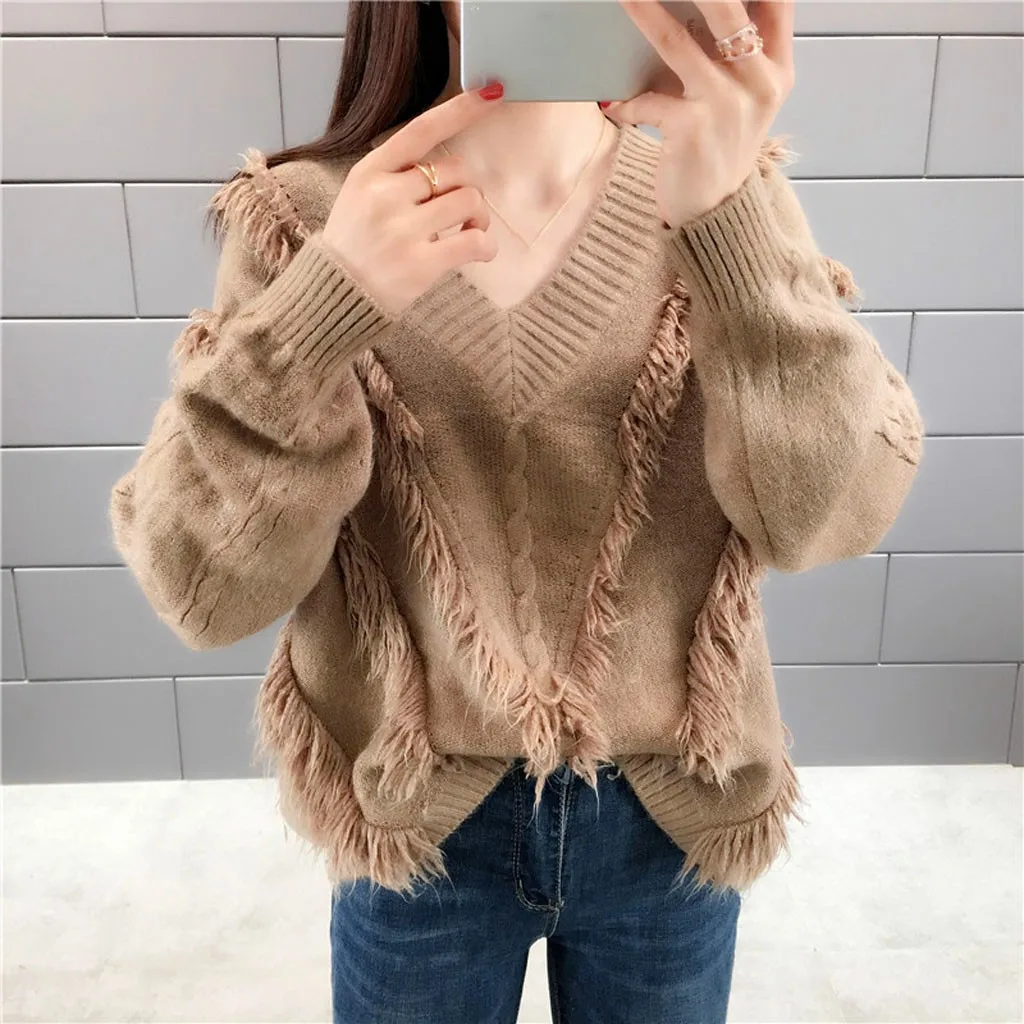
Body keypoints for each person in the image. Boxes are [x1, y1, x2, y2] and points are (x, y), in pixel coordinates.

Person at [110, 1, 922, 1021]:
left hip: (671, 814)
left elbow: (833, 517)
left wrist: (736, 233)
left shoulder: (717, 187)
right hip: (416, 828)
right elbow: (201, 589)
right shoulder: (309, 219)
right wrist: (321, 309)